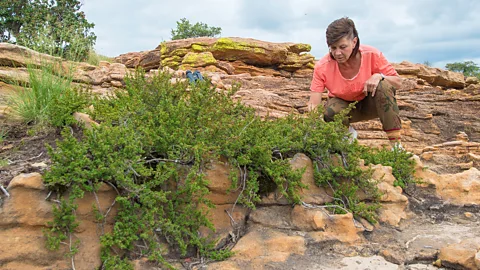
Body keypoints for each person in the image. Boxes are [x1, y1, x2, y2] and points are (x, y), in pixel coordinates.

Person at [308, 17, 404, 149]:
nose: (337, 53)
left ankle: (397, 147)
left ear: (354, 42)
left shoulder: (372, 54)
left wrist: (379, 76)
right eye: (333, 48)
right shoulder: (323, 66)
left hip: (372, 103)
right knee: (329, 110)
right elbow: (314, 103)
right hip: (346, 108)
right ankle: (346, 137)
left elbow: (398, 82)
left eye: (343, 47)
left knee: (383, 84)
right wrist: (314, 126)